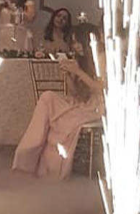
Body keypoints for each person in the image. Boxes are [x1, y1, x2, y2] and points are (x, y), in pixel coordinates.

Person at [12, 38, 104, 178]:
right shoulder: (81, 59)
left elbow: (102, 89)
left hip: (97, 105)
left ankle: (51, 169)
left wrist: (78, 72)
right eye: (73, 42)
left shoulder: (102, 56)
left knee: (62, 123)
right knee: (47, 97)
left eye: (78, 40)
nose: (76, 45)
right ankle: (27, 152)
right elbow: (76, 93)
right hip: (82, 101)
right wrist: (67, 75)